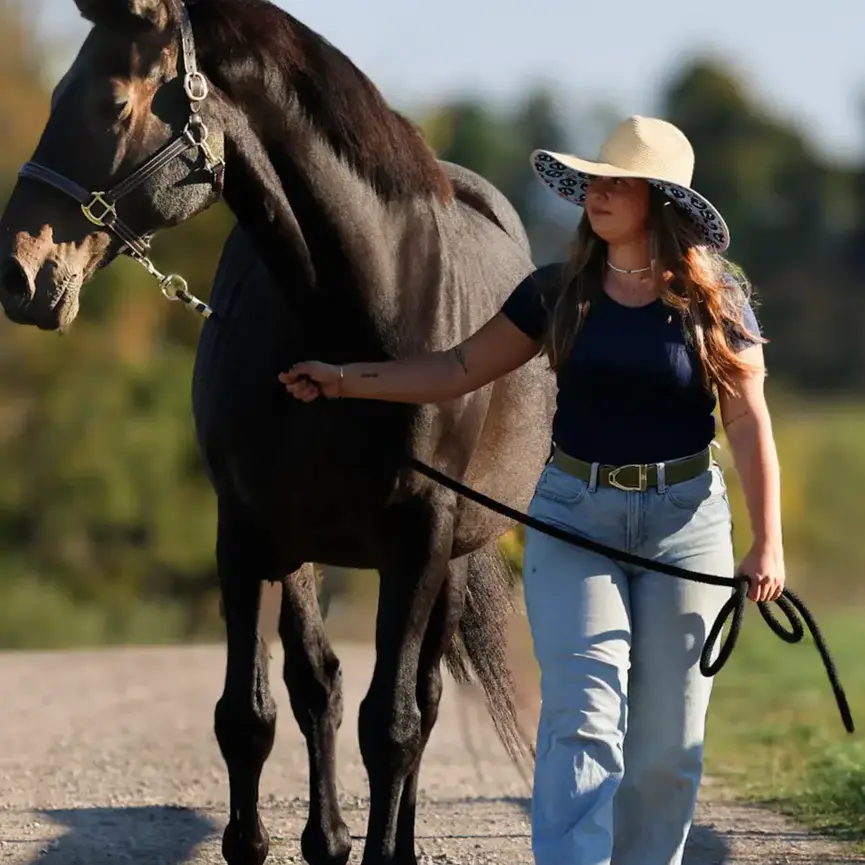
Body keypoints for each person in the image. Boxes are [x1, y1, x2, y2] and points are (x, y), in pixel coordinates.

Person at [278, 115, 786, 865]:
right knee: (581, 716)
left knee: (665, 746)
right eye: (592, 179)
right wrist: (343, 380)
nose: (597, 192)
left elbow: (747, 425)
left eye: (617, 182)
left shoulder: (717, 302)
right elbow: (453, 369)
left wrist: (766, 538)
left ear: (662, 201)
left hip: (686, 526)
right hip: (573, 518)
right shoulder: (557, 293)